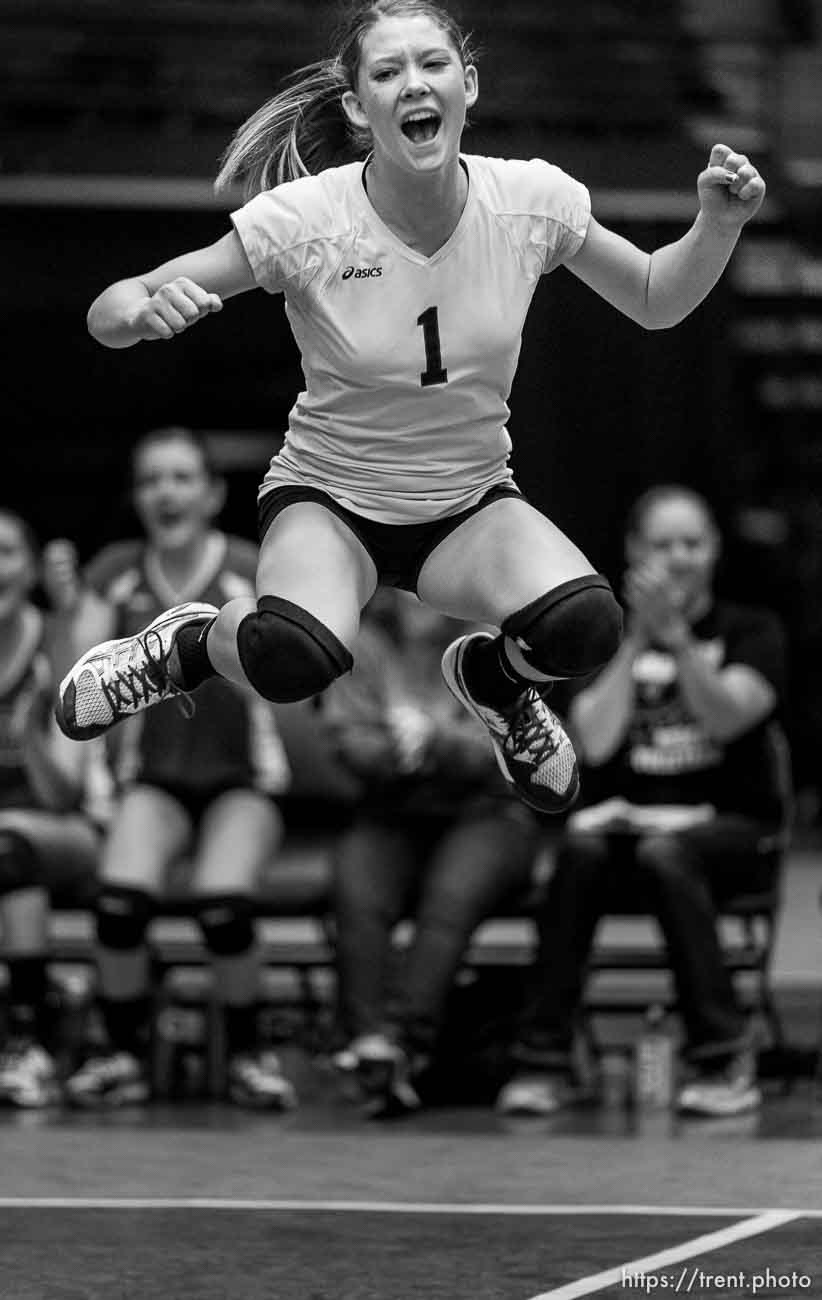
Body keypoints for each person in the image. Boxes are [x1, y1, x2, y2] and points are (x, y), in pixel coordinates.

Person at [55, 1, 765, 824]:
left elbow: (654, 298)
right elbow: (113, 306)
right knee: (295, 660)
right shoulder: (308, 220)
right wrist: (138, 314)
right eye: (386, 72)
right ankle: (184, 645)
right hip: (332, 499)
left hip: (465, 504)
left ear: (466, 86)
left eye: (431, 65)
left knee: (587, 627)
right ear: (359, 107)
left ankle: (496, 684)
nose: (411, 84)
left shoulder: (529, 201)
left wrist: (718, 225)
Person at [497, 485, 790, 1120]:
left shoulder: (754, 631)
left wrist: (679, 641)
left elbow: (726, 721)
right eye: (663, 544)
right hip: (632, 833)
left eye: (692, 543)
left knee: (667, 854)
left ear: (714, 550)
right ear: (634, 554)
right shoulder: (603, 641)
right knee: (577, 852)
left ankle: (722, 1057)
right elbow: (594, 747)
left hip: (731, 833)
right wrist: (634, 642)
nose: (679, 558)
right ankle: (544, 1063)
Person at [49, 427, 295, 1109]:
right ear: (137, 497)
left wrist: (207, 657)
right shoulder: (115, 572)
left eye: (182, 477)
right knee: (119, 906)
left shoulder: (250, 568)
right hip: (150, 784)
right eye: (152, 479)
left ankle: (250, 1055)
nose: (166, 492)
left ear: (213, 493)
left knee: (223, 909)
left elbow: (289, 684)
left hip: (241, 785)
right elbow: (79, 685)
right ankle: (123, 1054)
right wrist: (70, 612)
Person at [322, 589, 542, 1114]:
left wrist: (434, 740)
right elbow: (348, 742)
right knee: (356, 885)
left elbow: (515, 746)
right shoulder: (364, 644)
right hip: (393, 807)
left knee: (450, 897)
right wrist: (405, 750)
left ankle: (406, 1045)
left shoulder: (496, 644)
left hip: (488, 812)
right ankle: (368, 1042)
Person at [0, 511, 102, 1108]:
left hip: (65, 830)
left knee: (10, 848)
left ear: (31, 568)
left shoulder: (58, 645)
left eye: (7, 552)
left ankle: (27, 1044)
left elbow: (65, 792)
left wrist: (28, 734)